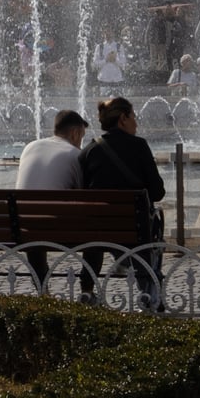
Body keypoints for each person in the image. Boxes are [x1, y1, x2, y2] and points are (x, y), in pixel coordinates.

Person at [81, 96, 165, 309]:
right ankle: (148, 293)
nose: (136, 122)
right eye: (133, 116)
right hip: (135, 231)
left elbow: (82, 192)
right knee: (152, 222)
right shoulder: (139, 146)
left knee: (96, 228)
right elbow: (157, 192)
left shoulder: (89, 151)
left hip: (97, 231)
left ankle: (87, 290)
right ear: (122, 118)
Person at [16, 107, 89, 292]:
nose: (81, 141)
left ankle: (42, 286)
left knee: (34, 219)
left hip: (21, 227)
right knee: (94, 232)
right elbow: (83, 196)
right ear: (74, 132)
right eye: (82, 135)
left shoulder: (30, 147)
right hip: (57, 230)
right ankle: (87, 290)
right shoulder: (75, 154)